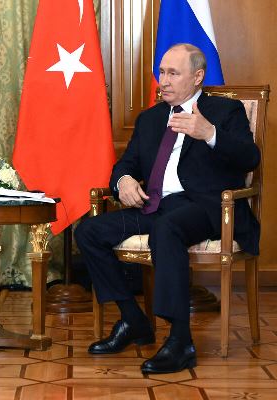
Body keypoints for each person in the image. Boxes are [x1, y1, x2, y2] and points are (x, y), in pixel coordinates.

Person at [74, 43, 260, 374]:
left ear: (197, 77)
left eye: (173, 73)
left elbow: (250, 158)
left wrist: (210, 134)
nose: (164, 81)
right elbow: (125, 165)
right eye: (161, 72)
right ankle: (133, 320)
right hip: (156, 204)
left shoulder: (224, 111)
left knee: (167, 228)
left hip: (206, 206)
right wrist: (124, 182)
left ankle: (180, 341)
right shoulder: (150, 119)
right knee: (89, 231)